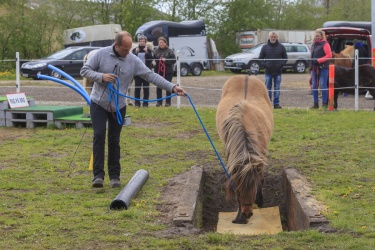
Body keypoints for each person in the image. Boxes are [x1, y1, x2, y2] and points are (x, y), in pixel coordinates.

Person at [80, 31, 186, 188]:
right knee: (99, 135)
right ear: (116, 45)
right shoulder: (101, 54)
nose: (127, 52)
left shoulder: (133, 60)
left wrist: (172, 87)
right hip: (99, 103)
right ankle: (98, 176)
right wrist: (101, 76)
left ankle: (115, 176)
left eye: (130, 49)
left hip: (119, 106)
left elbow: (151, 76)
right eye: (125, 49)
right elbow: (84, 70)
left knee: (114, 139)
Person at [258, 31, 288, 109]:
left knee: (277, 88)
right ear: (269, 37)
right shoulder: (264, 47)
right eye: (272, 37)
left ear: (277, 38)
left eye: (274, 37)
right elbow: (260, 58)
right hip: (268, 72)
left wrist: (281, 65)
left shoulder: (281, 47)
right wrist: (265, 65)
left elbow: (285, 58)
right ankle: (268, 104)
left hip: (278, 72)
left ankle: (276, 104)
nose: (273, 38)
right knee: (267, 88)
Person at [310, 29, 332, 109]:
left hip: (323, 67)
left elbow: (329, 55)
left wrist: (319, 61)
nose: (316, 37)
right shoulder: (313, 44)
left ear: (321, 36)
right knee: (314, 85)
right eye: (315, 36)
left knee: (323, 85)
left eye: (318, 36)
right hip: (313, 68)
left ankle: (324, 103)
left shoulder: (325, 44)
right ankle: (315, 104)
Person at [154, 37, 176, 107]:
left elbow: (174, 60)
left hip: (168, 71)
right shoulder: (156, 51)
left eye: (162, 43)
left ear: (165, 43)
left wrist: (166, 60)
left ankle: (168, 102)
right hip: (158, 71)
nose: (161, 44)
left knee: (168, 87)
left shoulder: (169, 50)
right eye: (160, 43)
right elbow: (153, 59)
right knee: (158, 86)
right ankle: (159, 102)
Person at [132, 35, 153, 107]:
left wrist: (147, 52)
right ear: (138, 42)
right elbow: (132, 59)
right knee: (137, 88)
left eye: (143, 41)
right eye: (140, 41)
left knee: (146, 88)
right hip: (137, 72)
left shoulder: (149, 50)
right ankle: (137, 103)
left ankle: (145, 103)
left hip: (146, 71)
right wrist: (136, 53)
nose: (142, 42)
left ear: (145, 42)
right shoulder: (135, 50)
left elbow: (151, 59)